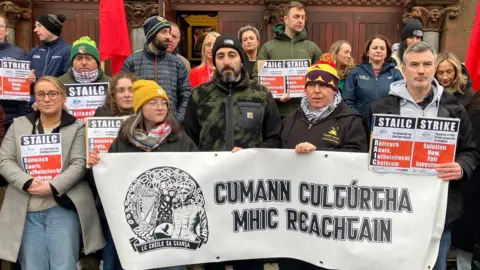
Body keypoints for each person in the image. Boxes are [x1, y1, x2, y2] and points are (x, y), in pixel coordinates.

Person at [363, 42, 479, 270]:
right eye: (414, 65)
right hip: (392, 212)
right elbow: (361, 152)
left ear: (434, 68)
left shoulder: (455, 110)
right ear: (403, 70)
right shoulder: (378, 109)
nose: (421, 70)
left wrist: (462, 166)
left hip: (438, 214)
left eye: (427, 64)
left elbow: (471, 151)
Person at [183, 35, 281, 270]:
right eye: (220, 56)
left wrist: (251, 154)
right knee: (213, 257)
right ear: (213, 61)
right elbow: (188, 140)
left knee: (249, 259)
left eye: (231, 55)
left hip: (249, 191)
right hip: (210, 188)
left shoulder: (261, 95)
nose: (226, 61)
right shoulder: (199, 96)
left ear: (241, 59)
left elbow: (275, 138)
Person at [88, 79, 198, 270]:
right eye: (153, 102)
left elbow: (198, 170)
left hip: (170, 228)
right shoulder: (124, 139)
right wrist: (95, 166)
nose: (160, 107)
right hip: (135, 225)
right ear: (140, 106)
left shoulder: (179, 137)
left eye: (164, 103)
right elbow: (108, 182)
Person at [0, 76, 105, 269]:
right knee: (32, 266)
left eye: (52, 93)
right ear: (35, 99)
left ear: (63, 98)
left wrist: (52, 186)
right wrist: (27, 182)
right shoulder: (19, 125)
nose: (47, 99)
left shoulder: (79, 126)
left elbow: (79, 162)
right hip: (27, 208)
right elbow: (4, 159)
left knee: (63, 265)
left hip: (62, 207)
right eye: (41, 94)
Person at [281, 53, 367, 154]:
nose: (316, 90)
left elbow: (356, 156)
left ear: (334, 90)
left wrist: (318, 152)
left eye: (323, 85)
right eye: (312, 85)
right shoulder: (290, 120)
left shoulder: (351, 122)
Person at [253, 1, 322, 118]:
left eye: (303, 17)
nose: (301, 20)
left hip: (306, 113)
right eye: (296, 16)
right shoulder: (268, 47)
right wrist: (273, 94)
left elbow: (322, 77)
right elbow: (255, 77)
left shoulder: (312, 47)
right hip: (275, 113)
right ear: (285, 19)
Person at [122, 16, 191, 123]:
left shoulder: (177, 64)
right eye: (164, 32)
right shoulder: (132, 62)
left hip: (170, 128)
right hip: (139, 127)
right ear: (152, 35)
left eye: (169, 32)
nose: (169, 37)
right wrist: (134, 121)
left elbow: (186, 95)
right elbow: (125, 95)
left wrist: (177, 121)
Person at [343, 35, 403, 113]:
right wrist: (357, 119)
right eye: (375, 48)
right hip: (361, 122)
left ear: (387, 53)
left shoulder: (395, 74)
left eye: (382, 48)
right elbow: (348, 101)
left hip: (387, 122)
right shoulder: (355, 73)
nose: (378, 51)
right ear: (367, 52)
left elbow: (402, 100)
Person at [0, 14, 36, 129]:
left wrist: (31, 80)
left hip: (13, 112)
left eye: (0, 26)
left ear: (7, 30)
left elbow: (27, 86)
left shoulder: (18, 53)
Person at [27, 14, 71, 79]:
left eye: (39, 26)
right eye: (35, 26)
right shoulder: (34, 51)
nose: (35, 30)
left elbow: (68, 78)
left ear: (50, 27)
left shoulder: (68, 51)